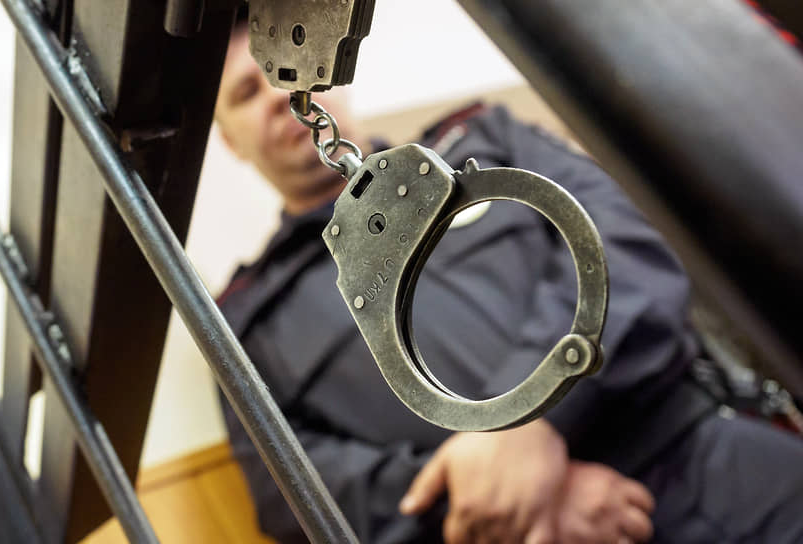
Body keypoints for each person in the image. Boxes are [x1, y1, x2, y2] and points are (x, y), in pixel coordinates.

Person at [213, 14, 803, 544]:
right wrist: (488, 494)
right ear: (229, 140)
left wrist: (524, 424)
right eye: (245, 92)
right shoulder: (243, 320)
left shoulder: (485, 138)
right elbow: (288, 486)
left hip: (701, 458)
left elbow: (625, 242)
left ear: (334, 74)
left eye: (289, 75)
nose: (278, 98)